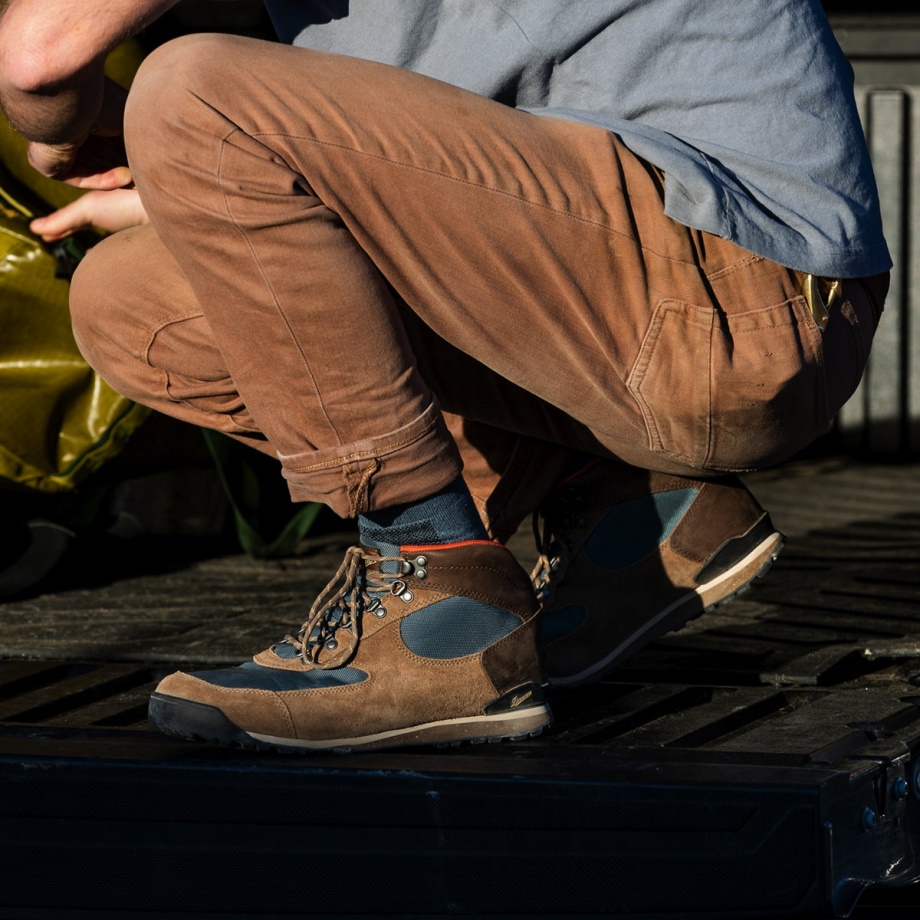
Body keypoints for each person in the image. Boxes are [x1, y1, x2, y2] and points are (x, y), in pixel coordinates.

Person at [0, 0, 891, 753]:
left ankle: (430, 586)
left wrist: (76, 128)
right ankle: (624, 498)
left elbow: (39, 57)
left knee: (192, 85)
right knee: (134, 301)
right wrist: (185, 172)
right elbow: (439, 137)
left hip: (737, 294)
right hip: (640, 288)